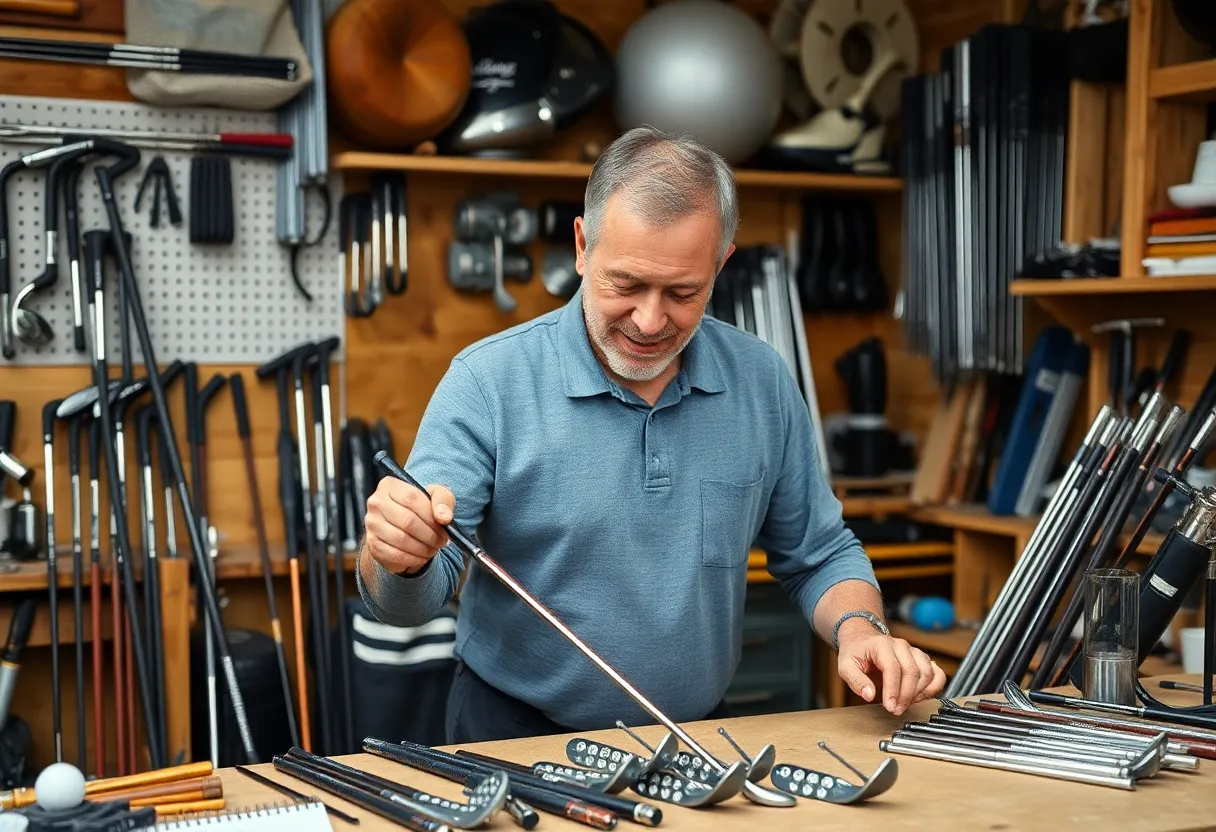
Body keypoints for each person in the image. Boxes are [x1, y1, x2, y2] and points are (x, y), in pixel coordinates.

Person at [356, 126, 946, 744]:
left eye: (682, 292)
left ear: (721, 264)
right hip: (513, 736)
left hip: (691, 736)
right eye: (626, 285)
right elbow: (405, 603)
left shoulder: (763, 382)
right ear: (583, 248)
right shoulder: (487, 382)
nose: (649, 319)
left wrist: (861, 630)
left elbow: (820, 553)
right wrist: (396, 555)